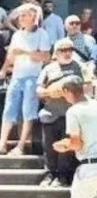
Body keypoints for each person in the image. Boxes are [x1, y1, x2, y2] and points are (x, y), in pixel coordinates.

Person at [0, 3, 51, 155]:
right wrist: (4, 69)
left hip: (32, 77)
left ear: (33, 17)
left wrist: (25, 52)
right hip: (16, 76)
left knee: (28, 111)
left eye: (24, 15)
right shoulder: (17, 35)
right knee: (8, 109)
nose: (20, 18)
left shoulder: (42, 34)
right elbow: (10, 55)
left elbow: (45, 57)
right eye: (20, 15)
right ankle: (2, 144)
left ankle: (21, 146)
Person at [36, 38, 93, 187]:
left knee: (66, 148)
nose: (67, 53)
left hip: (71, 115)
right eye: (63, 50)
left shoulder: (80, 67)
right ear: (56, 52)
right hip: (51, 114)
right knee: (49, 147)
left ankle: (63, 176)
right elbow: (39, 90)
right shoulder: (48, 69)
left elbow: (88, 88)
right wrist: (51, 91)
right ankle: (50, 174)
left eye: (70, 50)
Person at [53, 77, 97, 198]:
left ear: (67, 92)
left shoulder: (74, 111)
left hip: (89, 166)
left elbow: (77, 142)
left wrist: (63, 146)